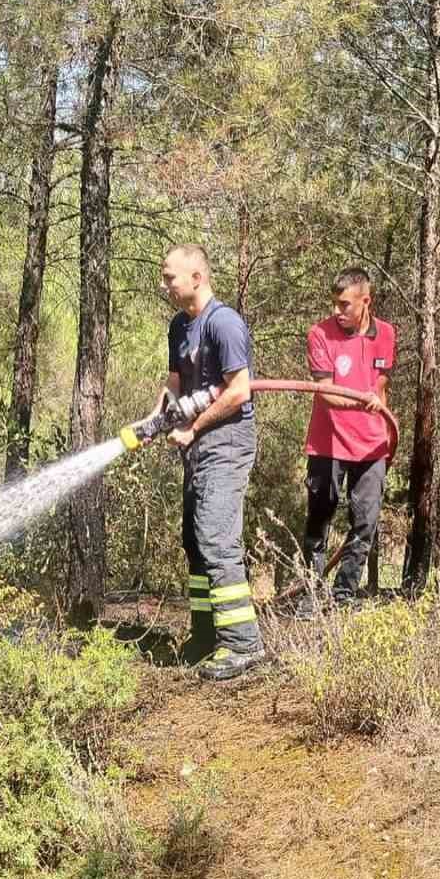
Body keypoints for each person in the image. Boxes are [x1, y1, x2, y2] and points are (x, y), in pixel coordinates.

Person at [159, 243, 265, 681]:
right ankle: (205, 636)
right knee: (194, 539)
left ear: (196, 278)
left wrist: (193, 426)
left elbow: (239, 390)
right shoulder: (178, 327)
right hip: (196, 444)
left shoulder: (224, 324)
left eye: (170, 277)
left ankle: (243, 644)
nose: (164, 284)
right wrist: (157, 419)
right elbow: (173, 383)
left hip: (227, 441)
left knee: (217, 537)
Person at [298, 267, 396, 612]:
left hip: (371, 444)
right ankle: (311, 594)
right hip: (328, 443)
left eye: (345, 305)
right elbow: (325, 393)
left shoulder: (385, 333)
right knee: (319, 517)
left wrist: (375, 401)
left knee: (365, 521)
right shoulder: (319, 334)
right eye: (335, 305)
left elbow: (379, 388)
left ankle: (344, 596)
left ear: (365, 301)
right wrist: (362, 399)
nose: (338, 312)